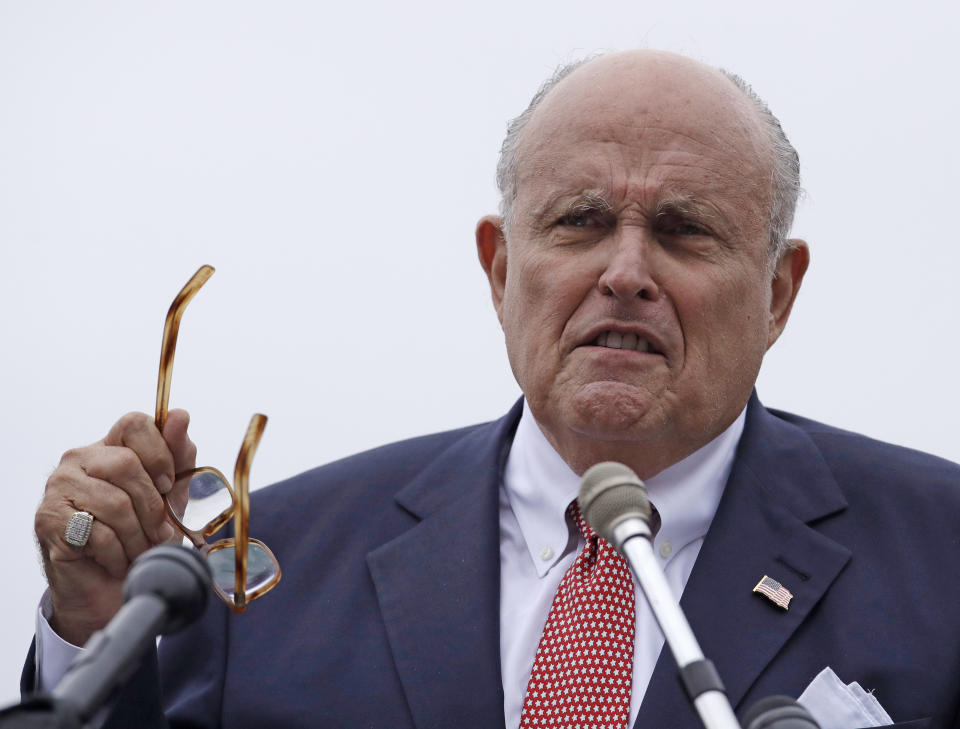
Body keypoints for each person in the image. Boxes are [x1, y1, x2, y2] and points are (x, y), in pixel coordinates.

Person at [26, 50, 960, 728]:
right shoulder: (267, 570)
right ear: (499, 265)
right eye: (580, 222)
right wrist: (91, 627)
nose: (626, 271)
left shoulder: (939, 551)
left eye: (682, 231)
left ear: (778, 293)